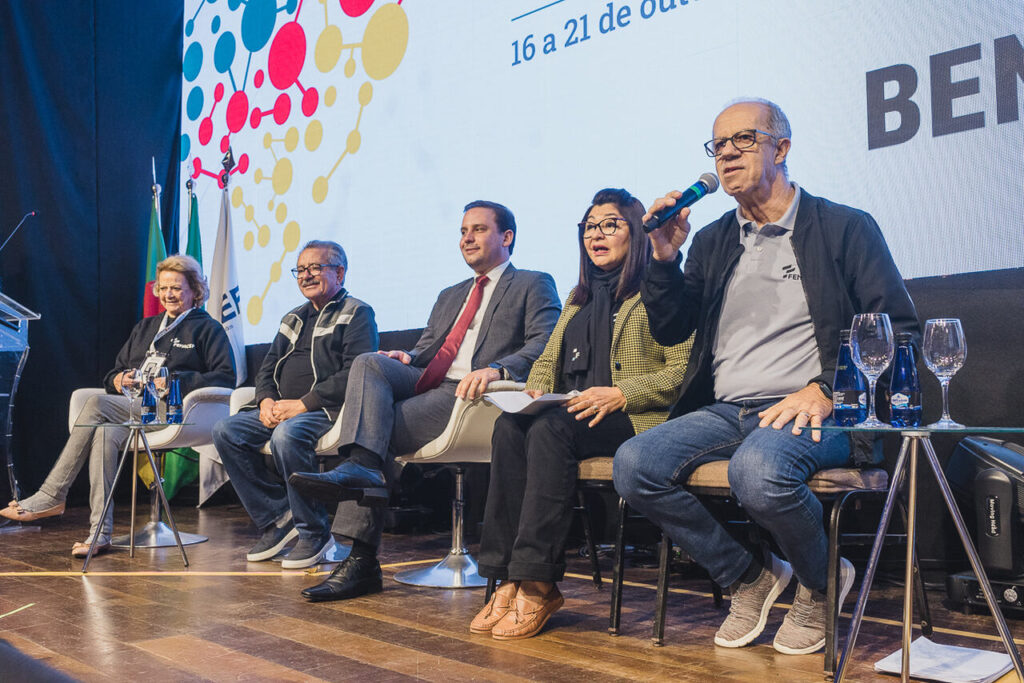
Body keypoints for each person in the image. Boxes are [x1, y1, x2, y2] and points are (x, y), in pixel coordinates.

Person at [614, 98, 920, 655]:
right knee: (634, 464)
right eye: (718, 144)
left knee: (756, 472)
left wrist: (827, 389)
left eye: (744, 139)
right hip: (728, 410)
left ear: (781, 148)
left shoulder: (843, 227)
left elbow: (898, 331)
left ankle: (821, 584)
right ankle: (747, 577)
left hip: (824, 409)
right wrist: (662, 258)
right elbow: (671, 328)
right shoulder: (713, 240)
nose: (727, 153)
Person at [289, 200, 561, 601]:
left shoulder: (532, 283)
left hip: (475, 394)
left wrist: (499, 369)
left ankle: (361, 558)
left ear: (507, 237)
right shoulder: (450, 294)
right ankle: (360, 469)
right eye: (463, 231)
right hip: (433, 383)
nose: (467, 238)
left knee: (374, 434)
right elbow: (429, 348)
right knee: (370, 362)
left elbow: (546, 342)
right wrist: (408, 357)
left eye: (479, 229)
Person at [471, 188, 691, 640]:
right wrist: (535, 390)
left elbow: (681, 373)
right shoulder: (578, 298)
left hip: (638, 418)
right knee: (510, 426)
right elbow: (547, 361)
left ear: (636, 231)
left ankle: (538, 582)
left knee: (551, 428)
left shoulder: (661, 291)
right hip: (576, 412)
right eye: (589, 227)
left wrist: (621, 393)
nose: (596, 235)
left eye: (610, 225)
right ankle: (505, 575)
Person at [1, 255, 236, 556]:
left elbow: (226, 376)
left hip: (173, 412)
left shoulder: (208, 329)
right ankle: (99, 534)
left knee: (96, 404)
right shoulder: (146, 327)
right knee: (104, 432)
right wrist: (119, 379)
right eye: (163, 288)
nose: (168, 294)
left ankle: (52, 494)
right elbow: (114, 373)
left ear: (194, 290)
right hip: (132, 408)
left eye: (176, 288)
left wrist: (175, 380)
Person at [211, 240, 378, 569]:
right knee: (226, 430)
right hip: (281, 409)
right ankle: (278, 517)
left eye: (315, 267)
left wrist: (303, 404)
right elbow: (267, 369)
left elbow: (357, 372)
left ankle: (314, 531)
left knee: (286, 435)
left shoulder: (357, 312)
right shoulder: (293, 317)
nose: (306, 275)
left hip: (327, 410)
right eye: (300, 270)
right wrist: (265, 400)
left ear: (339, 273)